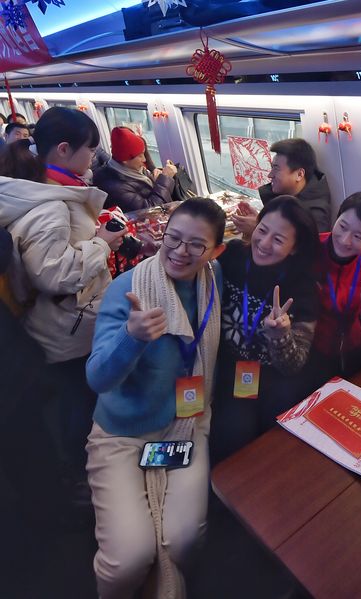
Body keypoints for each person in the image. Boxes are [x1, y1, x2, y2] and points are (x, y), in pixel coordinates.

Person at [85, 198, 226, 599]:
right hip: (124, 433)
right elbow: (97, 378)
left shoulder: (212, 279)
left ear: (216, 251)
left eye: (196, 244)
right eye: (173, 238)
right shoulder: (127, 289)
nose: (180, 251)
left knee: (185, 540)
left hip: (185, 422)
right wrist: (131, 337)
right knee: (127, 560)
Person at [0, 111, 126, 488]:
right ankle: (79, 478)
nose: (94, 157)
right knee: (79, 406)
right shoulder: (52, 207)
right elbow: (54, 274)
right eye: (91, 149)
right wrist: (101, 244)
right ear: (64, 149)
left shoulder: (47, 188)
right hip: (65, 332)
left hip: (63, 323)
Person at [210, 195, 321, 463]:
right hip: (226, 370)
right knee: (231, 436)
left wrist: (280, 336)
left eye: (279, 239)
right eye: (262, 230)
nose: (264, 243)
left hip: (272, 377)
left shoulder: (303, 288)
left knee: (269, 447)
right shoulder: (232, 256)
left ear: (294, 248)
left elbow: (293, 365)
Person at [306, 191, 361, 382]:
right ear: (337, 217)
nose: (344, 240)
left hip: (350, 356)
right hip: (306, 349)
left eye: (358, 236)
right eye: (342, 226)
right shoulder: (310, 248)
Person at [232, 138, 333, 235]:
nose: (270, 175)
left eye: (276, 168)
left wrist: (259, 228)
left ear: (299, 175)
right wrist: (261, 218)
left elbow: (305, 246)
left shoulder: (315, 215)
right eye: (272, 167)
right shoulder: (284, 196)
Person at [93, 126, 177, 212]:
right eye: (140, 156)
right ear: (125, 160)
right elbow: (151, 210)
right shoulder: (114, 187)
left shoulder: (130, 169)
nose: (144, 159)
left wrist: (155, 181)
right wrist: (165, 179)